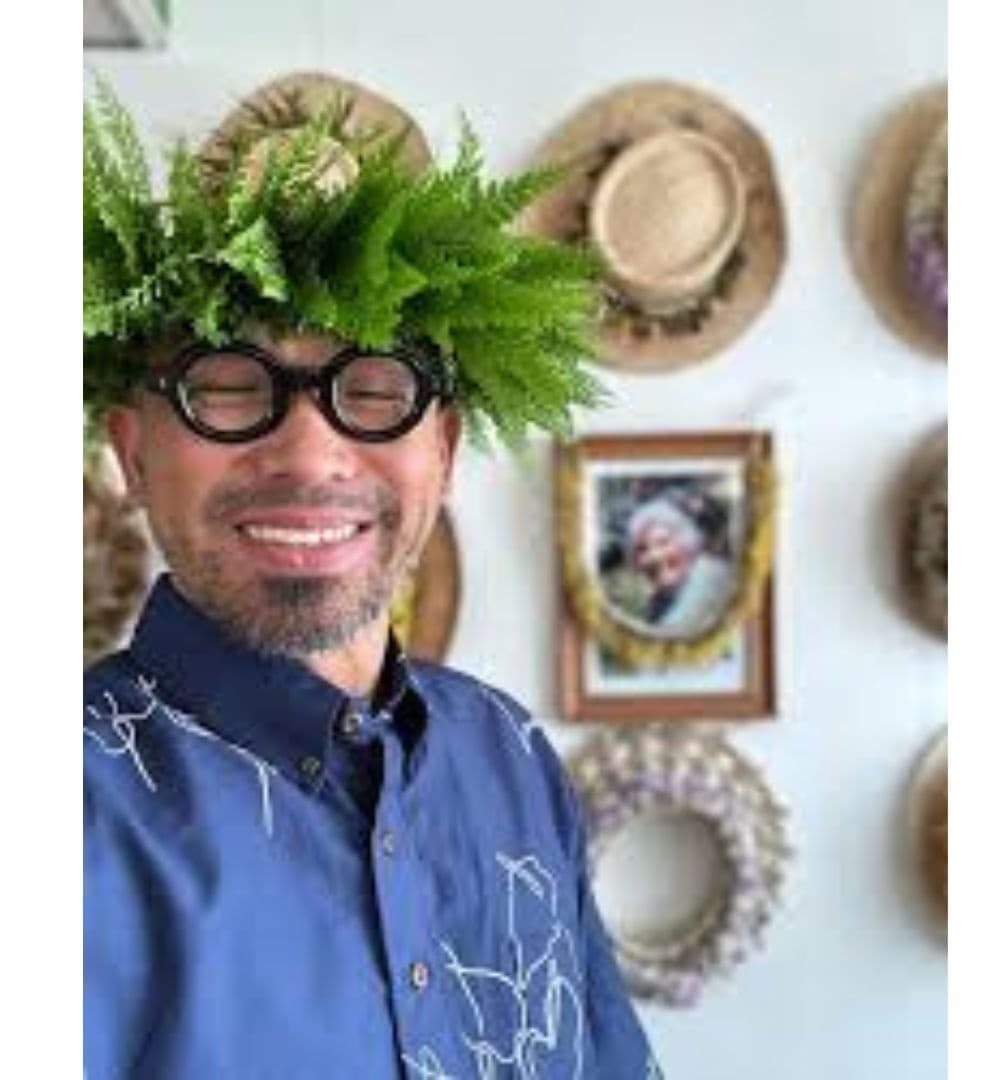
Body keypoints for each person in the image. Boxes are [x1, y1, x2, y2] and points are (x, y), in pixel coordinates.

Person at [83, 74, 661, 1079]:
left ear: (440, 449)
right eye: (226, 385)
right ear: (132, 451)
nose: (310, 457)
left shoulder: (513, 755)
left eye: (375, 386)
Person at [626, 496, 732, 636]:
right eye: (643, 549)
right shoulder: (658, 601)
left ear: (687, 542)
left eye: (664, 543)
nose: (655, 556)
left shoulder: (709, 577)